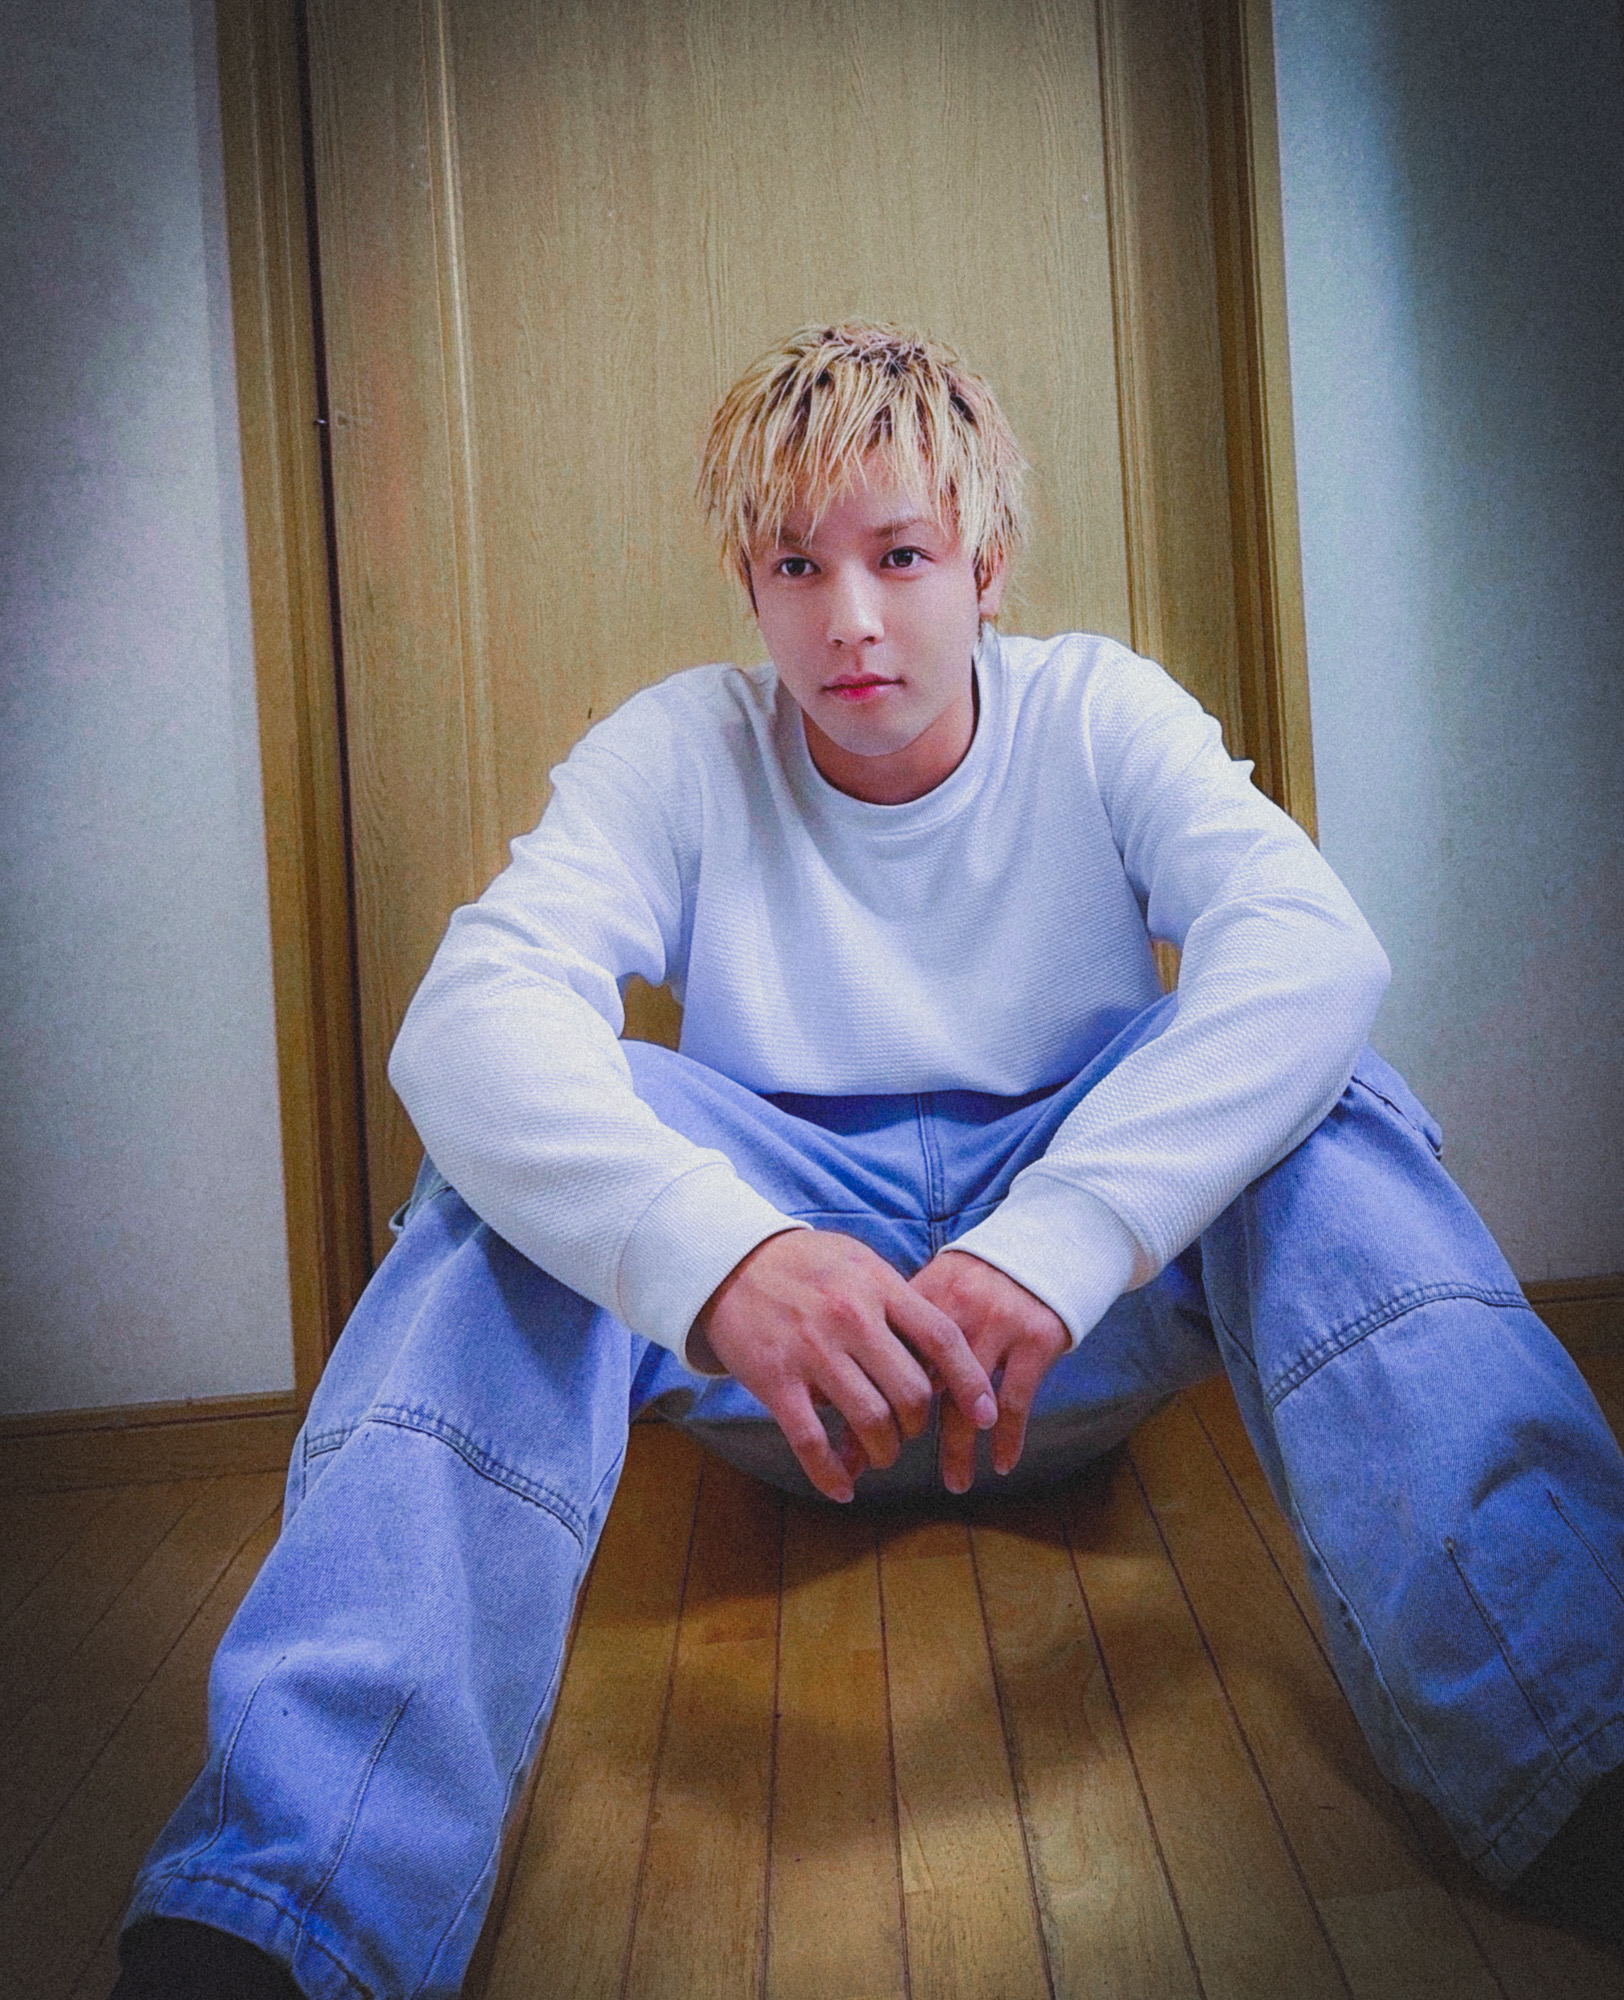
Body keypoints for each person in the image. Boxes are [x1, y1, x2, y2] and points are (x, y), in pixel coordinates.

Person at [115, 322, 1624, 1998]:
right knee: (505, 1163)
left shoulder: (1099, 711)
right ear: (748, 588)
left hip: (1063, 1324)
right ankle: (289, 1901)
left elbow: (1312, 947)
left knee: (1324, 1096)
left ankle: (1584, 1738)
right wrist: (720, 1258)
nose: (847, 617)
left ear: (985, 566)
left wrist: (1061, 1233)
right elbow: (470, 1019)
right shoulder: (682, 747)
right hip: (785, 1338)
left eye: (899, 556)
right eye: (795, 565)